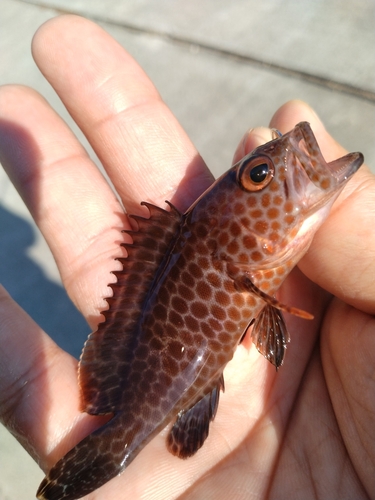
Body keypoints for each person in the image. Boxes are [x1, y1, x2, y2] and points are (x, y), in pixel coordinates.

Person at [0, 15, 374, 500]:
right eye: (260, 174)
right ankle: (114, 450)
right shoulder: (244, 265)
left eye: (258, 174)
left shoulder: (247, 264)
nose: (290, 150)